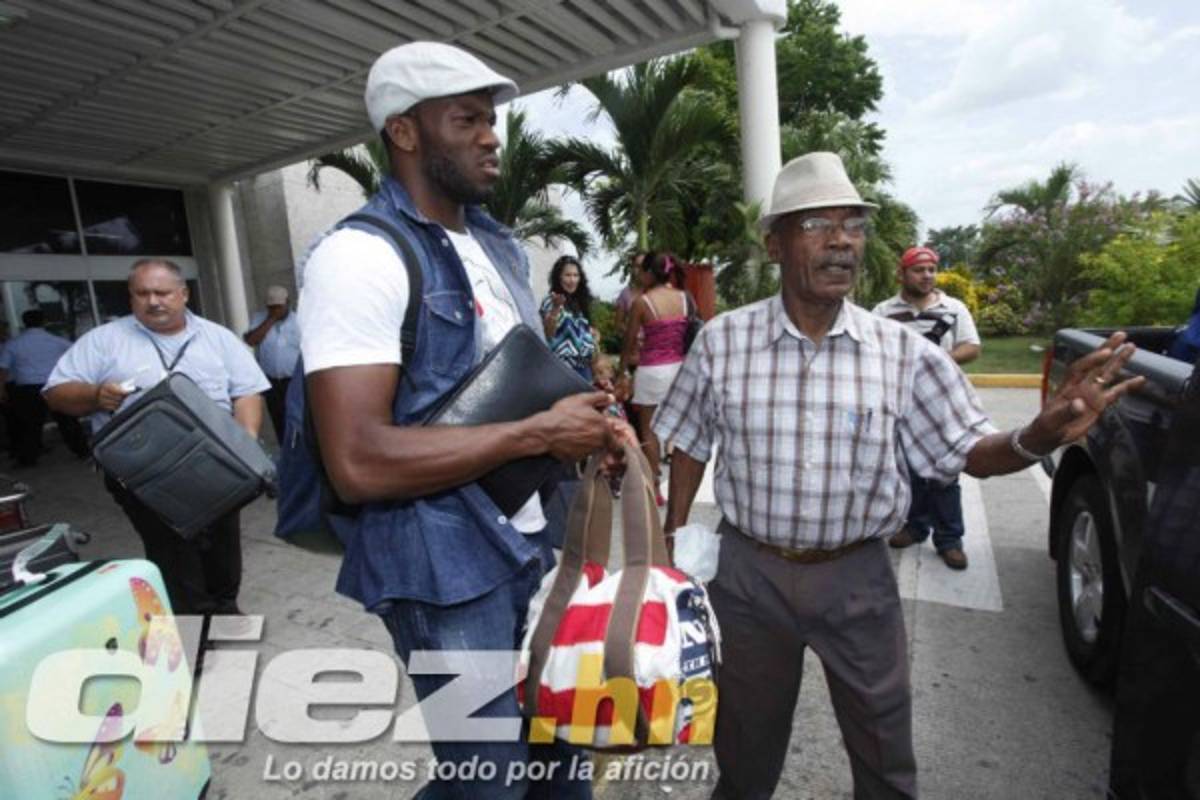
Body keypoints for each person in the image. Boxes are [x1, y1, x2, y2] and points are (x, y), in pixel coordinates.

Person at [653, 151, 1142, 800]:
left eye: (853, 224)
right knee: (743, 756)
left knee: (886, 761)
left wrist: (1039, 435)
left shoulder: (904, 353)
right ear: (774, 243)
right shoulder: (724, 342)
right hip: (748, 579)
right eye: (817, 224)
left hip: (858, 579)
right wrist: (672, 539)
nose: (841, 241)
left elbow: (971, 449)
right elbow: (688, 441)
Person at [297, 41, 631, 799]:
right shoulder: (359, 259)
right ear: (405, 132)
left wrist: (583, 432)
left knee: (560, 761)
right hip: (440, 570)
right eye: (468, 119)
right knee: (486, 782)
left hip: (532, 544)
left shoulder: (499, 247)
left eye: (493, 119)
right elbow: (358, 458)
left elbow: (521, 387)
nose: (491, 136)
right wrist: (538, 436)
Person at [44, 258, 269, 617]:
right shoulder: (104, 341)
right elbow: (55, 393)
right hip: (141, 470)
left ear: (183, 294)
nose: (153, 301)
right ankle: (193, 628)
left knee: (222, 544)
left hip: (214, 465)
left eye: (162, 292)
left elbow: (247, 391)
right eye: (142, 293)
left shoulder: (217, 337)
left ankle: (225, 612)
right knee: (172, 549)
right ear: (131, 297)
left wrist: (245, 442)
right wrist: (94, 394)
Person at [872, 245, 982, 569]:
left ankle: (950, 539)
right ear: (902, 274)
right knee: (909, 468)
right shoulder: (883, 311)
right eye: (919, 270)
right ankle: (915, 527)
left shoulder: (954, 308)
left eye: (931, 270)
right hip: (901, 401)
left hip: (943, 402)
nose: (927, 276)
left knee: (946, 470)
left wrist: (939, 359)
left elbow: (973, 347)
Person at [622, 250, 688, 505]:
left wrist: (621, 372)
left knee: (649, 433)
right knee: (681, 432)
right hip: (680, 370)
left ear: (650, 272)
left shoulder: (642, 302)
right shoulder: (684, 298)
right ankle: (680, 488)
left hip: (651, 372)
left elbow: (628, 341)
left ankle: (657, 486)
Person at [0, 309, 89, 465]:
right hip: (54, 385)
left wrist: (1, 389)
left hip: (27, 389)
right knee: (67, 421)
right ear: (43, 322)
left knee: (29, 425)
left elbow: (3, 369)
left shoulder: (13, 344)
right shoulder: (56, 340)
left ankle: (28, 459)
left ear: (24, 323)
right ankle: (83, 451)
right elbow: (78, 353)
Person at [243, 284, 301, 442]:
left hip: (293, 380)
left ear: (287, 303)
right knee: (278, 418)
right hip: (271, 381)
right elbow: (251, 340)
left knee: (296, 418)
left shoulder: (298, 321)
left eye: (278, 307)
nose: (275, 310)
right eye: (271, 307)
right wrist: (270, 320)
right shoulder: (260, 318)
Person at [539, 255, 597, 380]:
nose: (572, 280)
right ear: (558, 277)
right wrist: (555, 308)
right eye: (568, 275)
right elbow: (548, 333)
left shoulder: (579, 303)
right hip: (562, 368)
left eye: (576, 275)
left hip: (584, 367)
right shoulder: (551, 300)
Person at [613, 251, 646, 339]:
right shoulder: (625, 294)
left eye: (644, 266)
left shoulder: (656, 292)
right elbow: (618, 324)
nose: (640, 270)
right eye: (637, 266)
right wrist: (634, 334)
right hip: (632, 347)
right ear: (632, 268)